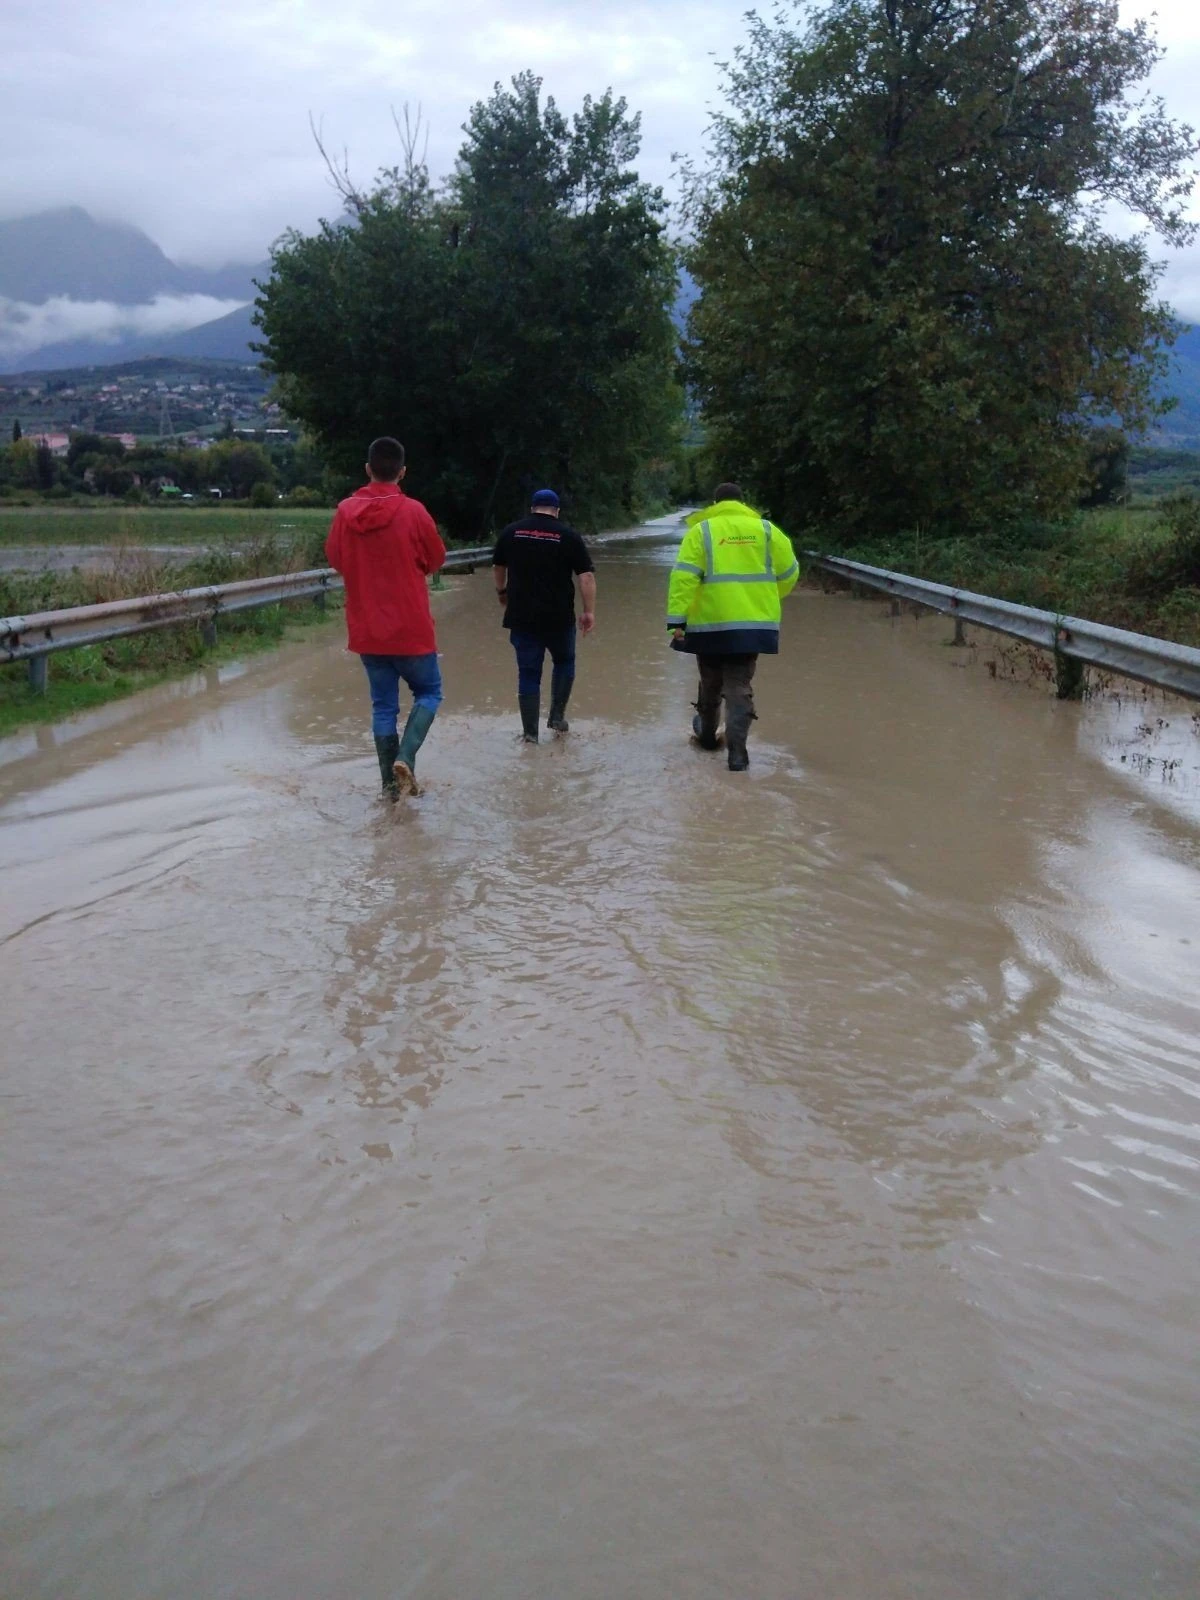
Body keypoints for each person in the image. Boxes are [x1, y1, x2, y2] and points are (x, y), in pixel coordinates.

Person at [325, 436, 446, 799]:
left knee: (383, 706)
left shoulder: (345, 512)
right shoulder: (414, 512)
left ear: (368, 469)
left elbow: (335, 558)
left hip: (367, 630)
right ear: (402, 472)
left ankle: (390, 791)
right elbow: (436, 559)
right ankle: (406, 757)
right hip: (411, 628)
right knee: (429, 691)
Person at [666, 482, 799, 771]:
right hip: (753, 625)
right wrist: (765, 598)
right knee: (739, 685)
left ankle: (707, 737)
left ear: (715, 503)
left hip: (709, 624)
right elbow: (790, 572)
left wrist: (676, 620)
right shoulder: (767, 531)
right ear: (743, 502)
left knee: (711, 683)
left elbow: (683, 578)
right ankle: (738, 755)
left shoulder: (701, 532)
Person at [492, 489, 596, 743]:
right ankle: (556, 717)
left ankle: (530, 734)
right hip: (559, 618)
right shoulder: (569, 536)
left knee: (528, 673)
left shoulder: (511, 532)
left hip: (522, 616)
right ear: (556, 510)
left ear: (532, 508)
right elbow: (586, 577)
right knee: (564, 662)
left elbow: (498, 565)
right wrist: (588, 612)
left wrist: (502, 591)